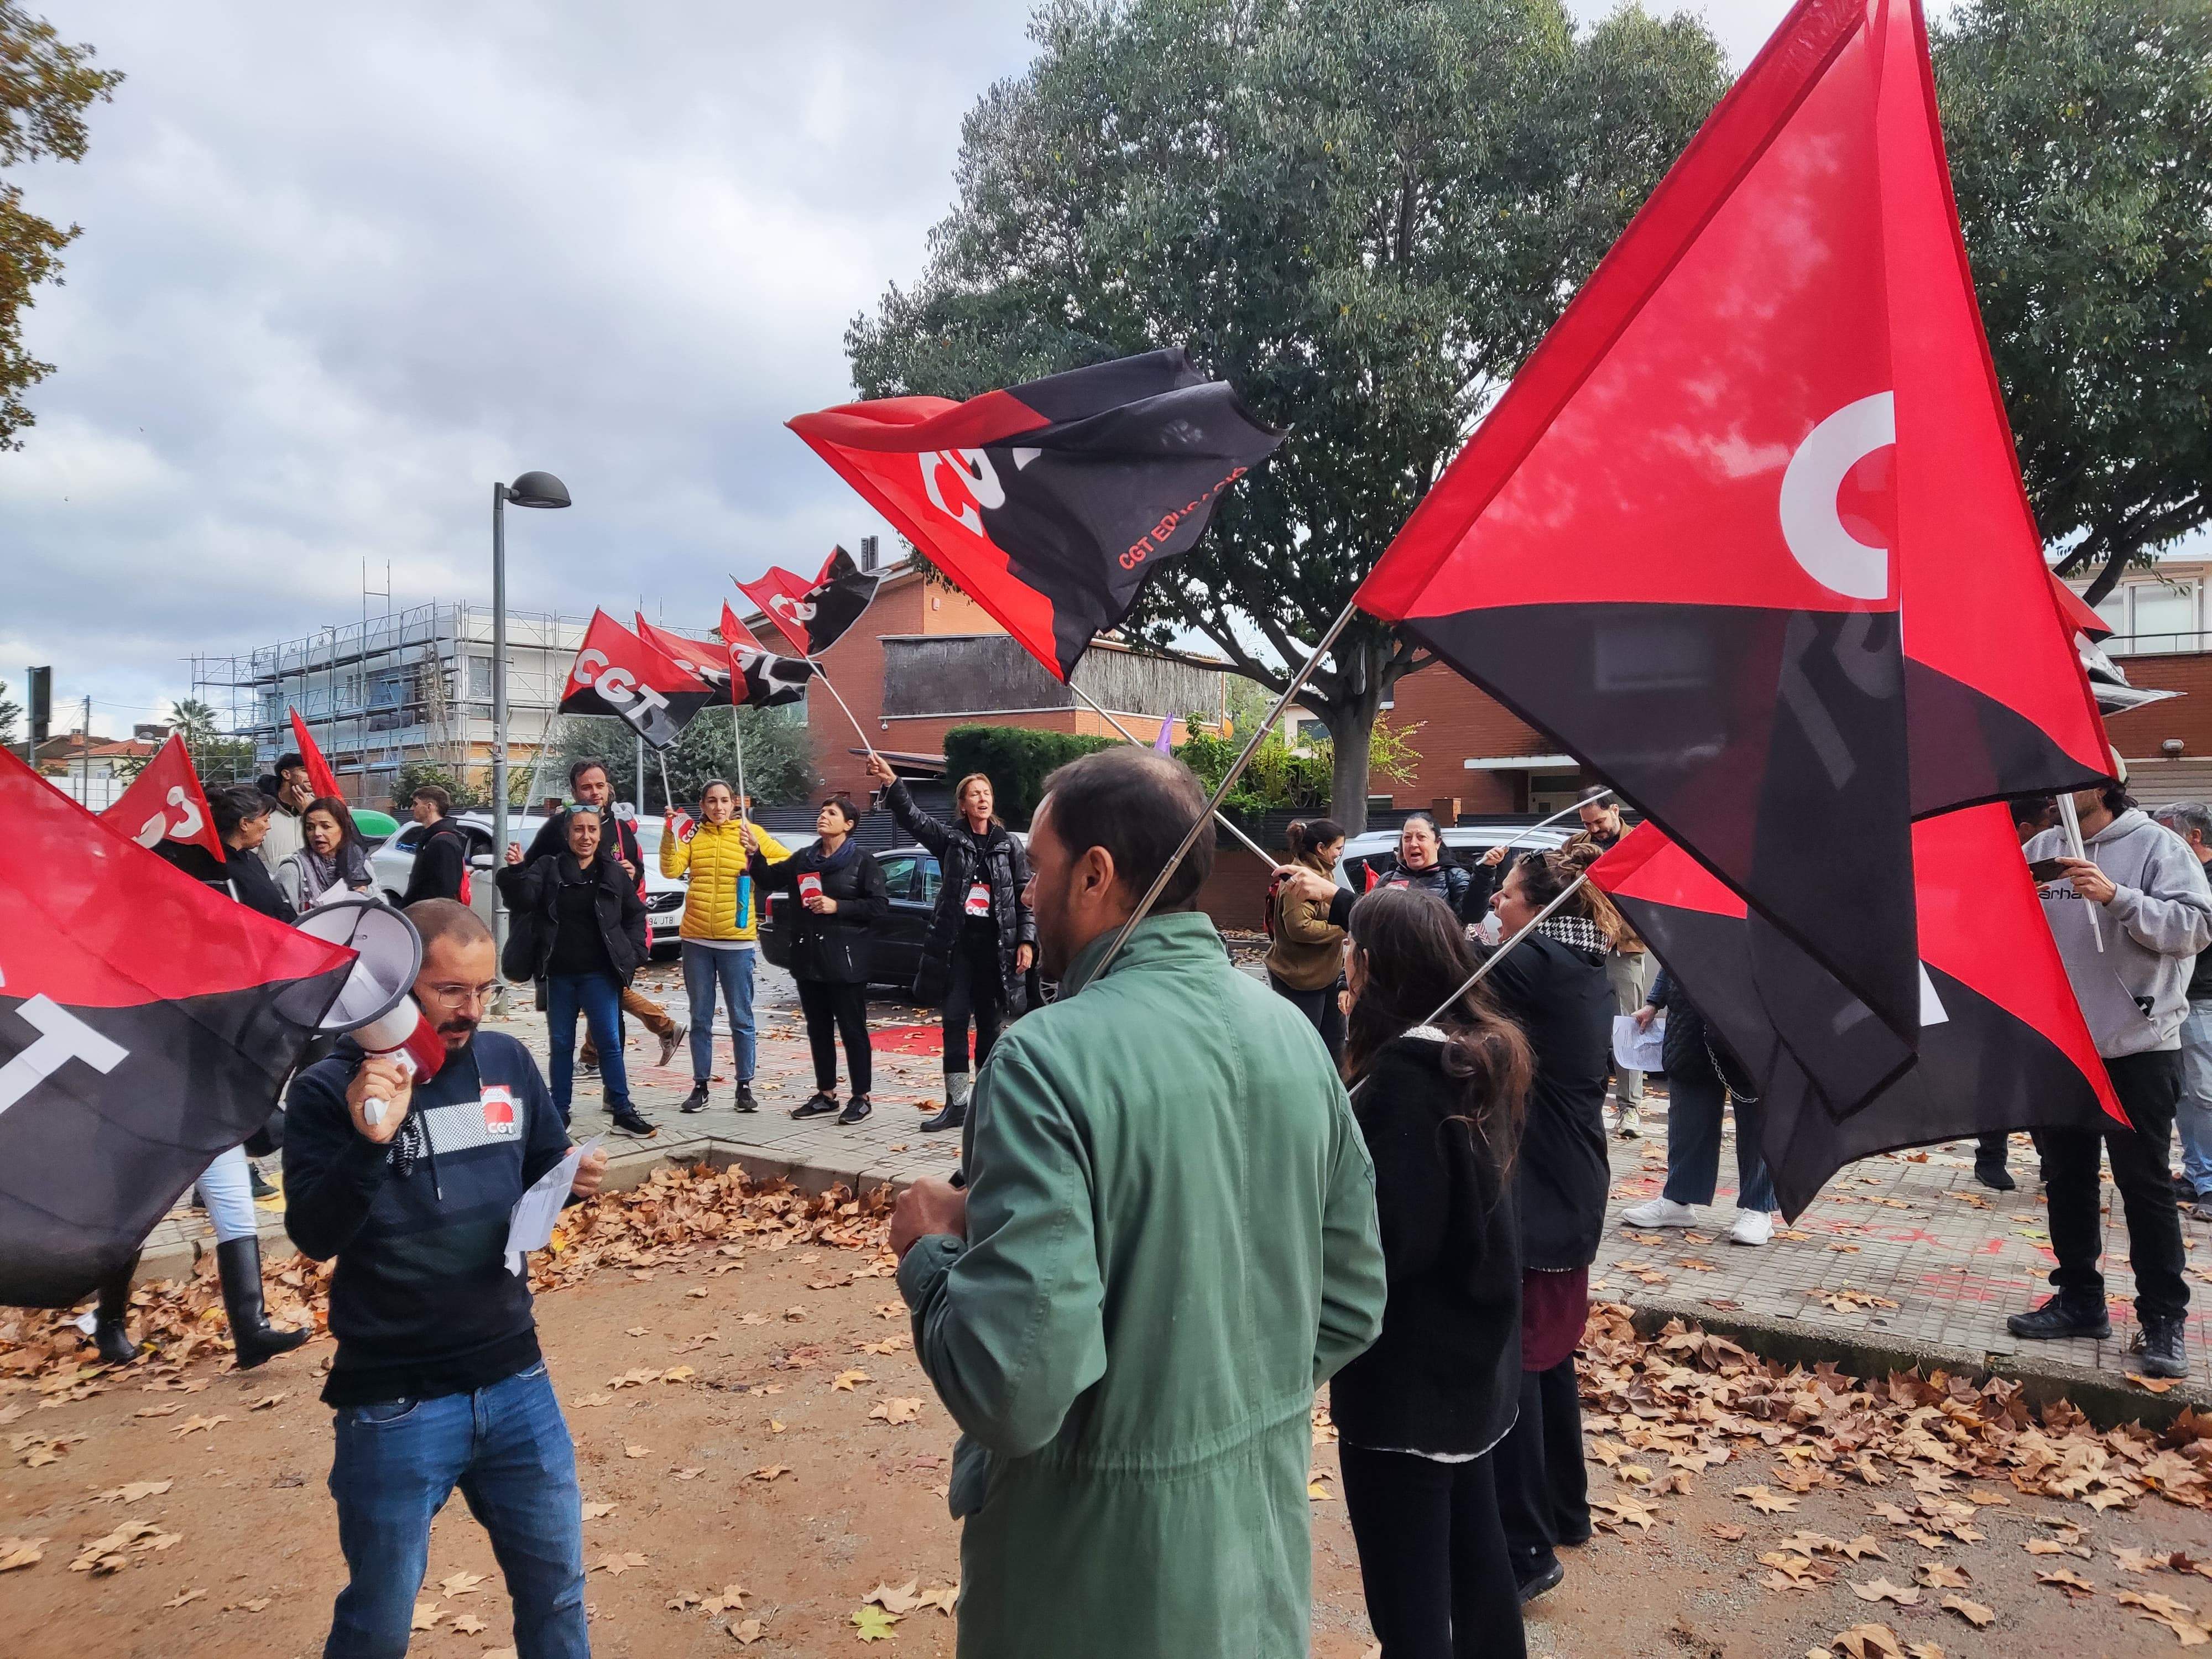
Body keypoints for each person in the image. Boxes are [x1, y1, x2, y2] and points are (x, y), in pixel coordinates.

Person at [886, 747, 1386, 1658]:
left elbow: (1014, 1390)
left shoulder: (1043, 1062)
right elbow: (1352, 1301)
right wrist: (1222, 1397)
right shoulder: (1292, 1034)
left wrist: (927, 1256)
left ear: (1095, 872)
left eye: (1036, 868)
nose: (1028, 893)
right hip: (1257, 1571)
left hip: (1087, 1585)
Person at [283, 899, 609, 1659]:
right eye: (450, 991)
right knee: (379, 1620)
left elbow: (540, 1167)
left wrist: (575, 1176)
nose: (471, 1010)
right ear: (396, 986)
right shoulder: (331, 1089)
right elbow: (313, 1234)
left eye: (485, 990)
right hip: (396, 1403)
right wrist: (370, 1144)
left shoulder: (508, 1062)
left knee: (558, 1590)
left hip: (516, 1380)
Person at [1332, 885, 1532, 1659]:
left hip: (1408, 1384)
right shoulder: (1476, 1056)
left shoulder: (1406, 1086)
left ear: (1372, 966)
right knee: (1478, 1570)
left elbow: (1385, 1245)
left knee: (1410, 1608)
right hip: (1472, 1372)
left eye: (1351, 951)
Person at [2010, 777, 2212, 1378]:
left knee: (2143, 1185)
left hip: (2138, 1046)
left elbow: (2195, 930)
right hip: (2060, 1046)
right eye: (2053, 782)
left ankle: (2162, 1319)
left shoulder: (2156, 845)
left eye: (2075, 780)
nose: (2059, 791)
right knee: (2065, 1178)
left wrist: (2117, 897)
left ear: (2107, 785)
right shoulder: (2038, 848)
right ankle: (2079, 1300)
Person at [1470, 847, 1614, 1603]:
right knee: (1547, 1359)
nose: (1499, 906)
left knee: (1519, 1366)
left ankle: (1525, 1547)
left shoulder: (1540, 965)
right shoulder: (1578, 970)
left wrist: (1338, 900)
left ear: (1540, 908)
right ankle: (1565, 1509)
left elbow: (1439, 958)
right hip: (1566, 1190)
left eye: (1507, 895)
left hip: (1544, 1196)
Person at [868, 754, 1036, 1133]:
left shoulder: (1008, 845)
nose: (982, 798)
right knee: (955, 1022)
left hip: (995, 950)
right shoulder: (951, 840)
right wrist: (892, 782)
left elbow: (1026, 896)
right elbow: (914, 819)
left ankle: (988, 1107)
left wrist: (1026, 940)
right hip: (958, 948)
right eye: (974, 794)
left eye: (986, 792)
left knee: (992, 1028)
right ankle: (957, 1104)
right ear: (963, 804)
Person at [518, 760, 686, 1075]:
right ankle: (581, 1086)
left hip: (612, 937)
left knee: (612, 1013)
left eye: (600, 786)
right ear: (573, 791)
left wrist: (632, 875)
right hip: (570, 944)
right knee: (591, 1017)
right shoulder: (558, 828)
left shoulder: (621, 829)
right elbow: (529, 875)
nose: (595, 793)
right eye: (587, 787)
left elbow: (635, 881)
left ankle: (614, 1092)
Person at [498, 807, 657, 1136]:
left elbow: (635, 914)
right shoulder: (548, 867)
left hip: (600, 974)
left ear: (600, 835)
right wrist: (515, 871)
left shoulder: (612, 872)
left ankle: (623, 1112)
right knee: (560, 1044)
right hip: (559, 974)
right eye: (578, 831)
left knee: (610, 1044)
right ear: (567, 835)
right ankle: (559, 1112)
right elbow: (523, 899)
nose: (585, 837)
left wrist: (635, 952)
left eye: (592, 831)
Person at [743, 795, 888, 1125]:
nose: (823, 816)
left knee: (853, 1030)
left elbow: (879, 906)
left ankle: (861, 1097)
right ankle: (826, 1094)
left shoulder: (863, 862)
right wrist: (755, 853)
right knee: (818, 1029)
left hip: (845, 961)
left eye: (832, 813)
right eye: (822, 811)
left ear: (848, 825)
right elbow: (767, 879)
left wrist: (839, 906)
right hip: (809, 959)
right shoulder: (804, 859)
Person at [1618, 969, 1776, 1244]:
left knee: (1756, 1118)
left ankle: (1758, 1207)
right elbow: (1673, 945)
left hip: (1754, 1011)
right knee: (1689, 1116)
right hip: (1691, 1018)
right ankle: (1679, 1198)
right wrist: (1654, 1002)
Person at [660, 781, 789, 1115]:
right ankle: (700, 1085)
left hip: (737, 941)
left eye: (725, 801)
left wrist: (756, 855)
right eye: (712, 801)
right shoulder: (693, 837)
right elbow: (670, 869)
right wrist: (669, 834)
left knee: (742, 1018)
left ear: (735, 803)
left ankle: (744, 1086)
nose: (719, 807)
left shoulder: (751, 832)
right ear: (702, 805)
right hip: (696, 940)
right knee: (700, 1018)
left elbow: (787, 864)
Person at [2154, 800, 2212, 1220]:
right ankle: (2197, 1173)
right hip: (2179, 999)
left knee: (2207, 1095)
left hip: (2205, 1000)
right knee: (2188, 1097)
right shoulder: (2176, 879)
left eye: (2167, 834)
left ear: (2195, 837)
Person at [1266, 817, 1349, 1062]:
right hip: (1301, 979)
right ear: (1321, 849)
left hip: (1327, 975)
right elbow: (1299, 928)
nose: (1339, 855)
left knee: (1334, 1045)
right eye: (1337, 849)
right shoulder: (1300, 881)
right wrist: (1344, 928)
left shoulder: (1325, 873)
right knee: (1305, 1047)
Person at [156, 782, 297, 924]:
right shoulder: (215, 870)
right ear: (245, 824)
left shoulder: (250, 857)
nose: (269, 827)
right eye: (265, 820)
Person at [1366, 813, 1478, 923]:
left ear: (1437, 843)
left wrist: (1485, 874)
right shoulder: (1388, 878)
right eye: (1407, 838)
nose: (1413, 844)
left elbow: (1471, 916)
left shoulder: (1455, 877)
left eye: (1421, 837)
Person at [277, 794, 378, 911]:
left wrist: (365, 893)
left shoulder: (361, 867)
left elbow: (383, 910)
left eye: (326, 826)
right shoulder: (292, 871)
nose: (317, 833)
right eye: (310, 828)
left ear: (343, 829)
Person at [400, 784, 470, 906]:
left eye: (416, 804)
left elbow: (446, 891)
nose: (412, 809)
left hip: (432, 917)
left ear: (429, 807)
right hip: (423, 913)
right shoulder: (432, 838)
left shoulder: (443, 842)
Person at [258, 752, 313, 875]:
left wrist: (309, 813)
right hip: (274, 888)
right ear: (286, 774)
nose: (313, 775)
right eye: (305, 770)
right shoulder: (261, 809)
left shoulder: (318, 807)